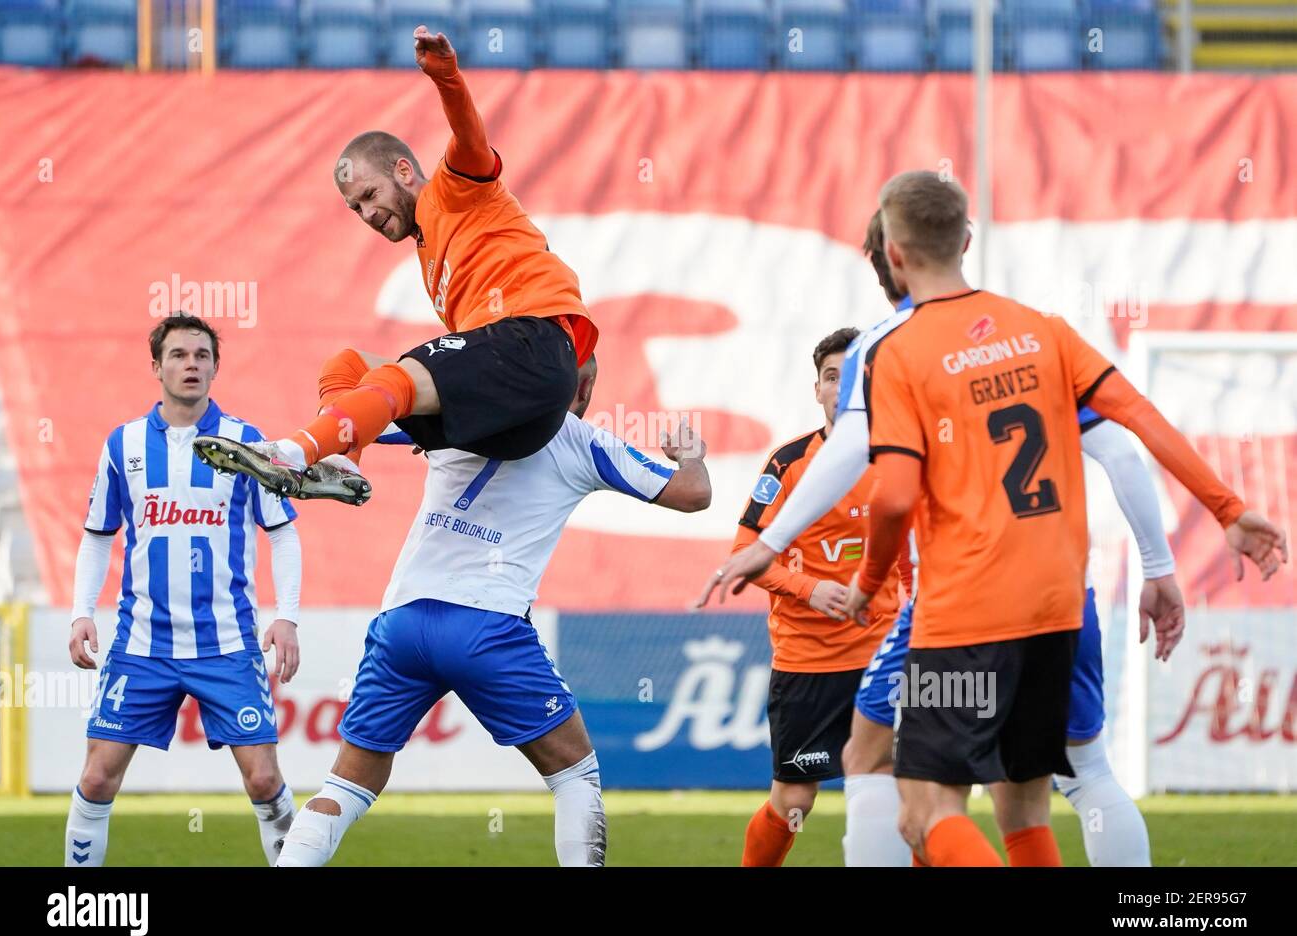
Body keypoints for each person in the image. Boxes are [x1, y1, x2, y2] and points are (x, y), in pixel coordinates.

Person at [705, 174, 1285, 866]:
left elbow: (883, 488)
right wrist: (1221, 514)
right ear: (967, 241)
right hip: (1065, 603)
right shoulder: (1043, 334)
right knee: (1056, 786)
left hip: (963, 608)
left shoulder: (891, 350)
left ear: (891, 255)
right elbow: (1133, 434)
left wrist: (796, 555)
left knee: (898, 784)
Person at [273, 354, 710, 867]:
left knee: (345, 783)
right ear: (584, 386)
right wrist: (691, 455)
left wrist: (347, 440)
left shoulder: (455, 415)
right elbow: (694, 494)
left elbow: (346, 366)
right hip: (487, 624)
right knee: (575, 775)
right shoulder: (583, 440)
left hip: (403, 621)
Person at [195, 29, 598, 506]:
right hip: (512, 413)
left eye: (369, 196)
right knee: (347, 365)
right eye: (355, 209)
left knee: (401, 374)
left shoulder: (454, 189)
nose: (367, 214)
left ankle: (290, 451)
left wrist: (446, 76)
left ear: (404, 171)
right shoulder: (432, 253)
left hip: (529, 353)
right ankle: (343, 462)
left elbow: (470, 136)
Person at [67, 312, 303, 866]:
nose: (191, 364)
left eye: (201, 355)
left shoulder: (246, 442)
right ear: (156, 367)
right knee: (98, 777)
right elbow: (98, 536)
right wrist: (82, 611)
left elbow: (283, 533)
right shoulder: (122, 444)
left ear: (216, 367)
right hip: (142, 645)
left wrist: (287, 615)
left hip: (225, 643)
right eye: (178, 355)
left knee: (264, 778)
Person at [727, 327, 909, 867]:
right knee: (795, 802)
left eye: (851, 375)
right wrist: (812, 588)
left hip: (885, 655)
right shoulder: (788, 465)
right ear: (818, 390)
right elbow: (745, 553)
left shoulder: (900, 458)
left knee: (909, 795)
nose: (841, 386)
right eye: (832, 376)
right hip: (809, 664)